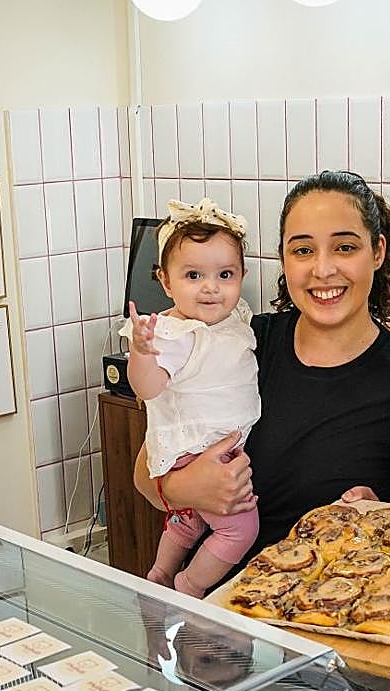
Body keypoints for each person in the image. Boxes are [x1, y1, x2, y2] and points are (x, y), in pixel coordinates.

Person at [133, 170, 390, 574]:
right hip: (207, 603)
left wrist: (380, 521)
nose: (323, 269)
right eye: (303, 250)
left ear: (377, 251)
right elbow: (144, 474)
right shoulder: (240, 343)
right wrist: (184, 488)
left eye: (345, 247)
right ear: (283, 258)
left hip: (325, 606)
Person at [120, 197, 261, 598]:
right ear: (166, 282)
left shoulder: (233, 319)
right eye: (194, 275)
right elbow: (148, 388)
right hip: (194, 449)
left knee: (190, 520)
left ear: (242, 276)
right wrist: (142, 354)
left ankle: (161, 572)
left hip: (208, 448)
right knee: (240, 529)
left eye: (225, 274)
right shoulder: (177, 334)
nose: (211, 287)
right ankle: (189, 588)